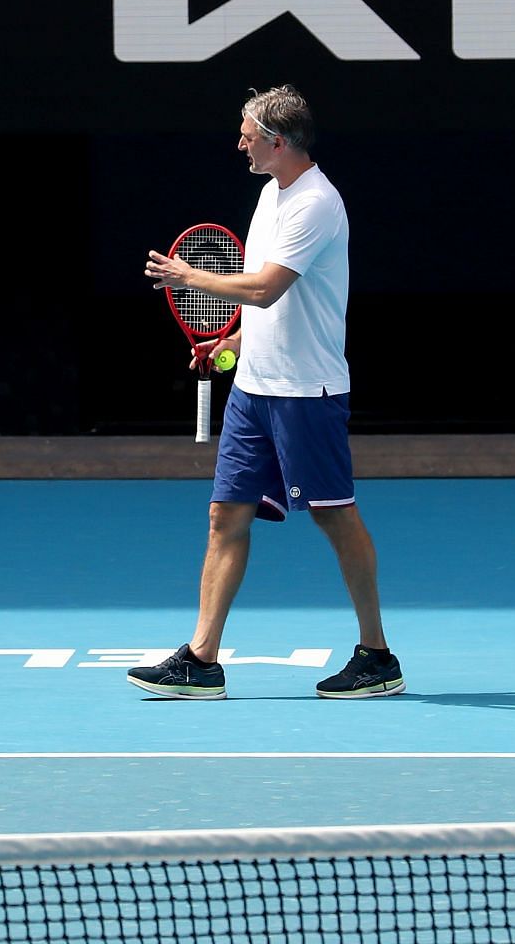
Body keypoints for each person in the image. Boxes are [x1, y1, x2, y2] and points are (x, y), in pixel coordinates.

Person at [133, 85, 401, 701]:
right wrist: (226, 346)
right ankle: (201, 659)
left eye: (247, 132)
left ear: (277, 141)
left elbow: (265, 289)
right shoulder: (269, 194)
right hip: (253, 388)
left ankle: (377, 654)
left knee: (335, 516)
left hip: (307, 392)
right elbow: (258, 307)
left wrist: (185, 276)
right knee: (225, 516)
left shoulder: (315, 204)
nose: (240, 142)